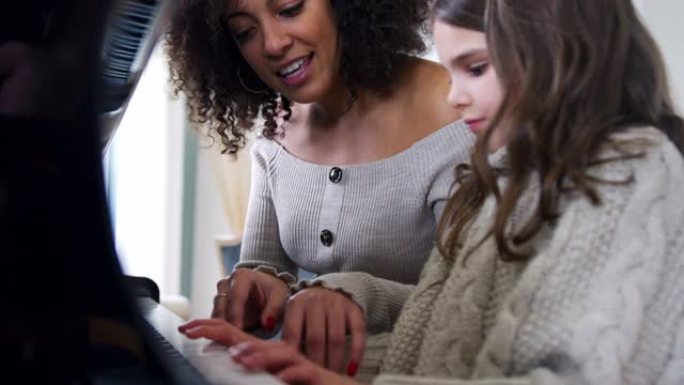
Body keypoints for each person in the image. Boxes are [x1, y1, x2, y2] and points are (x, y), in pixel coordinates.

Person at [177, 0, 684, 384]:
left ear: (559, 50)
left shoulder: (630, 169)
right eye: (245, 32)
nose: (455, 93)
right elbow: (446, 343)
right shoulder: (509, 183)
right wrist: (304, 357)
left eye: (476, 68)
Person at [165, 0, 472, 374]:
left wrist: (349, 294)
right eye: (246, 32)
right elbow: (263, 272)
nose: (272, 45)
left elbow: (472, 308)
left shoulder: (457, 113)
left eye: (290, 9)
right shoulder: (276, 132)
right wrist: (255, 292)